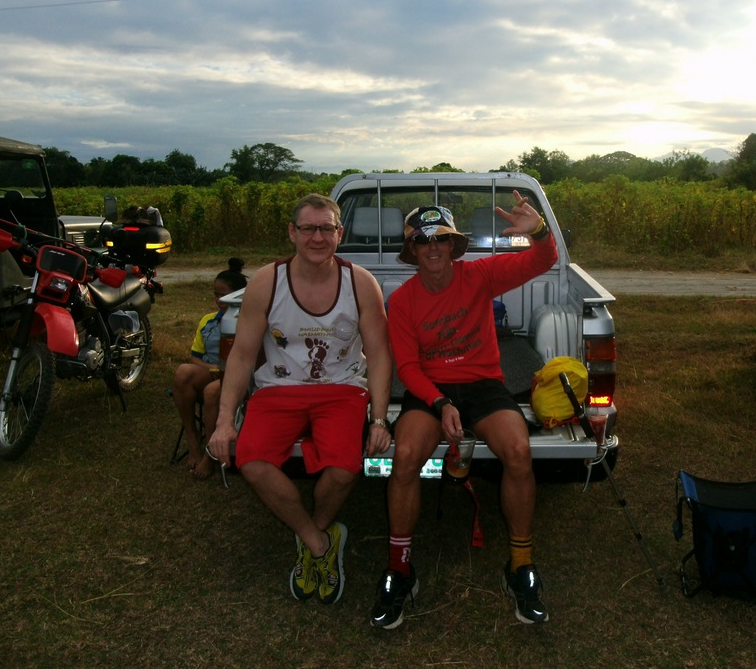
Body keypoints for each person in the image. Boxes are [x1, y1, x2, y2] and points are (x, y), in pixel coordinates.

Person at [370, 192, 557, 629]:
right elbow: (407, 367)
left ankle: (520, 565)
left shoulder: (480, 275)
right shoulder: (402, 301)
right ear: (412, 250)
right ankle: (400, 569)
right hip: (430, 391)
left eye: (441, 238)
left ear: (454, 245)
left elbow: (542, 260)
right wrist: (440, 403)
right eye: (422, 240)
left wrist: (539, 231)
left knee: (519, 451)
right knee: (405, 457)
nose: (432, 246)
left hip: (483, 385)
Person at [208, 193, 392, 606]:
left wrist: (379, 419)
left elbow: (380, 353)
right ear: (292, 232)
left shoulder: (360, 282)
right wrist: (224, 420)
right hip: (278, 388)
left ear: (340, 233)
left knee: (345, 467)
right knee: (251, 460)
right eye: (308, 228)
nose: (317, 237)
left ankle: (313, 534)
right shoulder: (266, 281)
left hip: (342, 388)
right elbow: (242, 354)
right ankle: (318, 542)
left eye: (326, 228)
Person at [172, 257, 248, 480]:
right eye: (215, 294)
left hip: (238, 378)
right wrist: (211, 367)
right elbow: (194, 356)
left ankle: (210, 453)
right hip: (213, 371)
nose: (218, 300)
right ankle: (193, 440)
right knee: (183, 372)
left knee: (212, 391)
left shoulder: (249, 322)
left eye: (223, 295)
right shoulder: (208, 321)